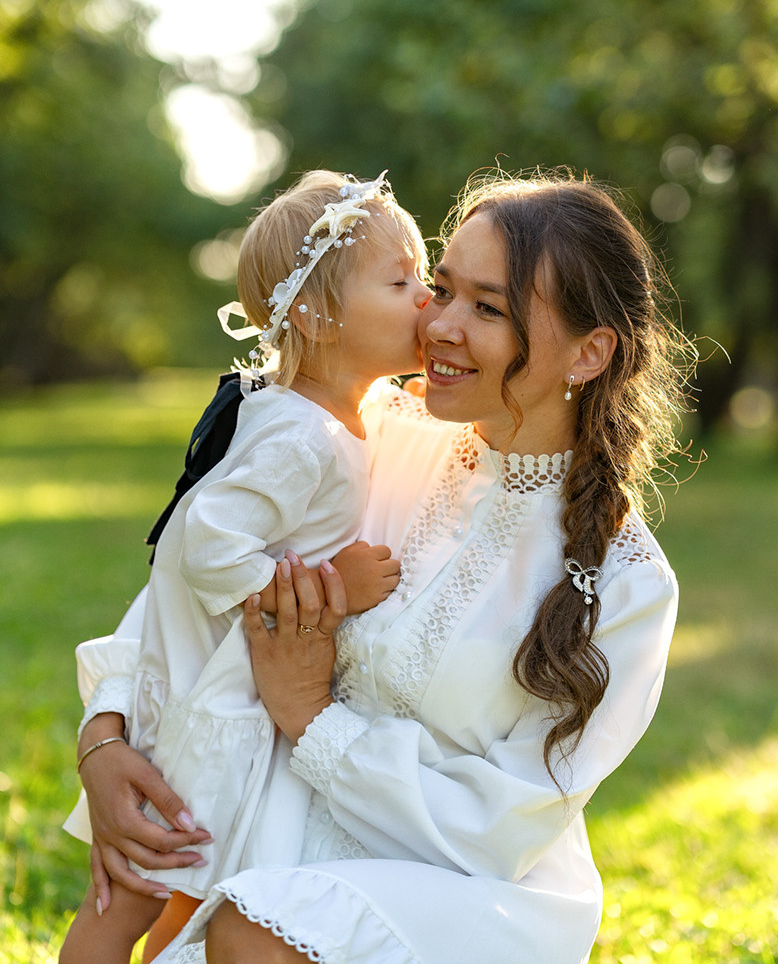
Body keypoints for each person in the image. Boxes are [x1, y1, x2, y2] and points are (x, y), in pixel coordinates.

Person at [67, 169, 695, 964]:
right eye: (438, 287)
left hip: (468, 894)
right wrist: (107, 733)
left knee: (253, 931)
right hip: (278, 839)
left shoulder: (629, 585)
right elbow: (199, 575)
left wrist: (312, 720)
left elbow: (499, 825)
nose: (438, 323)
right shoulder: (365, 440)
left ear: (589, 353)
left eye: (488, 307)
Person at [59, 169, 430, 964]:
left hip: (226, 690)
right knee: (139, 887)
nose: (426, 299)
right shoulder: (303, 437)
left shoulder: (328, 417)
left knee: (172, 889)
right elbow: (206, 544)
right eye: (402, 281)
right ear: (317, 313)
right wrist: (336, 584)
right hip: (211, 701)